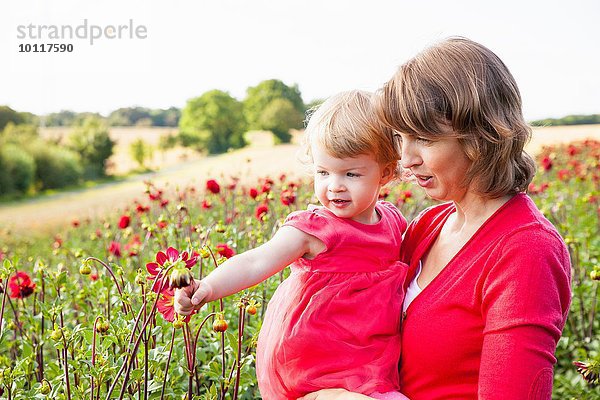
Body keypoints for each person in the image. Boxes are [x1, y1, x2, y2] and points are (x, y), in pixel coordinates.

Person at [299, 37, 572, 400]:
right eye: (400, 136)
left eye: (423, 138)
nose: (405, 158)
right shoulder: (430, 224)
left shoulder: (526, 251)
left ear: (480, 135)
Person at [175, 90, 410, 400]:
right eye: (323, 172)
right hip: (314, 360)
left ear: (387, 173)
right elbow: (257, 261)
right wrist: (208, 286)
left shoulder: (394, 223)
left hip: (364, 355)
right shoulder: (314, 230)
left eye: (351, 173)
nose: (334, 185)